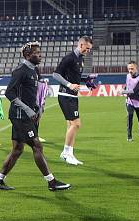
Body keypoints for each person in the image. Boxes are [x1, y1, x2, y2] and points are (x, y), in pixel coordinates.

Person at [0, 42, 71, 192]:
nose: (40, 55)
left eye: (40, 53)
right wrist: (28, 110)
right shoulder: (20, 71)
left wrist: (39, 108)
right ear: (28, 55)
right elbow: (9, 93)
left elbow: (33, 93)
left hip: (29, 115)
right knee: (37, 146)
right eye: (37, 53)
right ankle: (51, 182)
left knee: (17, 149)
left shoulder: (34, 71)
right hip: (21, 116)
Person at [52, 36, 93, 165]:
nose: (88, 51)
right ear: (81, 45)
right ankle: (65, 153)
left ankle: (70, 154)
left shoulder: (80, 59)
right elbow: (56, 74)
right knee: (76, 124)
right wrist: (69, 85)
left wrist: (86, 81)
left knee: (71, 125)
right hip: (65, 95)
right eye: (87, 48)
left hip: (72, 95)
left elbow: (75, 77)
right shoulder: (69, 58)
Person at [123, 61, 139, 141]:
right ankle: (129, 136)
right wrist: (124, 89)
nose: (130, 70)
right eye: (129, 69)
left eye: (132, 69)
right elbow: (127, 86)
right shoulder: (128, 76)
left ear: (136, 68)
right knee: (129, 117)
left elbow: (136, 90)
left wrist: (123, 92)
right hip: (129, 101)